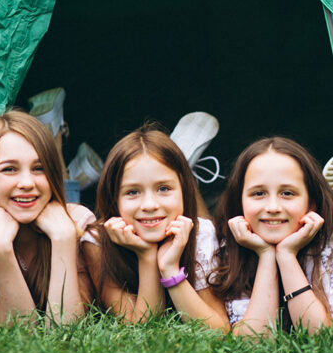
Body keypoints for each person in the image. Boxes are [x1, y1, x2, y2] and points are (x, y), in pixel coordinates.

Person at [0, 110, 94, 323]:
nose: (27, 182)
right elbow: (22, 331)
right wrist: (0, 250)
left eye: (39, 168)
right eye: (9, 169)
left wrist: (63, 238)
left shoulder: (77, 222)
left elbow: (66, 327)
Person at [82, 126, 229, 331]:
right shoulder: (96, 241)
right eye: (132, 192)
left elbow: (219, 330)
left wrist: (170, 269)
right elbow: (140, 325)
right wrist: (147, 256)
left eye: (163, 189)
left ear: (184, 190)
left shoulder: (203, 234)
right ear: (113, 198)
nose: (149, 205)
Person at [209, 137, 333, 334]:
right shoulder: (229, 245)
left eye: (287, 193)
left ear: (311, 203)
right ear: (240, 201)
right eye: (258, 193)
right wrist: (265, 254)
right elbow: (254, 340)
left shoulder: (331, 242)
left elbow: (321, 335)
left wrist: (286, 255)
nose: (272, 207)